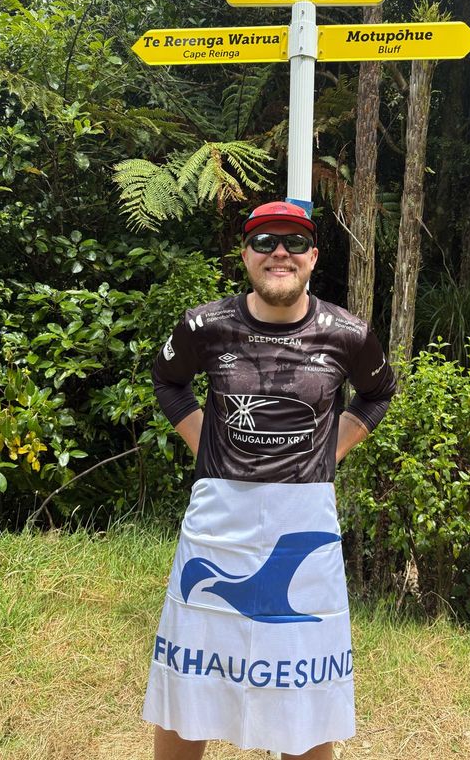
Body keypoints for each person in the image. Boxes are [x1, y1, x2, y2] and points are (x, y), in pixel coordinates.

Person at [142, 200, 396, 760]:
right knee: (191, 671)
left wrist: (332, 450)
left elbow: (379, 393)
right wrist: (205, 442)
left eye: (293, 242)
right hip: (218, 520)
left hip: (304, 522)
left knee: (304, 677)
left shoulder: (349, 333)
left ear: (313, 257)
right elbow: (168, 380)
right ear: (245, 255)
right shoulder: (204, 325)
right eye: (264, 242)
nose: (279, 253)